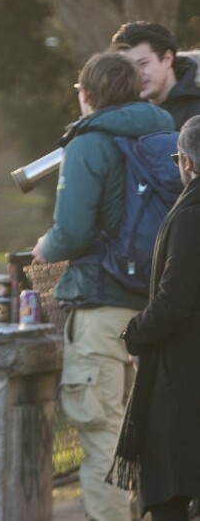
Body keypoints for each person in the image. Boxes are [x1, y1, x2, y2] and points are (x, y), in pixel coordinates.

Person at [31, 52, 175, 521]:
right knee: (147, 442)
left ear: (86, 94)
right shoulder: (165, 134)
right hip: (156, 310)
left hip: (102, 308)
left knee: (104, 441)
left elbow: (71, 233)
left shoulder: (88, 143)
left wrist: (43, 248)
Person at [106, 115, 200, 521]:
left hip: (184, 380)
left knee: (171, 498)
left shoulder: (190, 215)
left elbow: (175, 298)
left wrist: (135, 334)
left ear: (186, 163)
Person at [110, 21, 200, 129]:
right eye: (129, 68)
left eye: (142, 64)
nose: (136, 74)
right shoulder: (124, 116)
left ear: (167, 59)